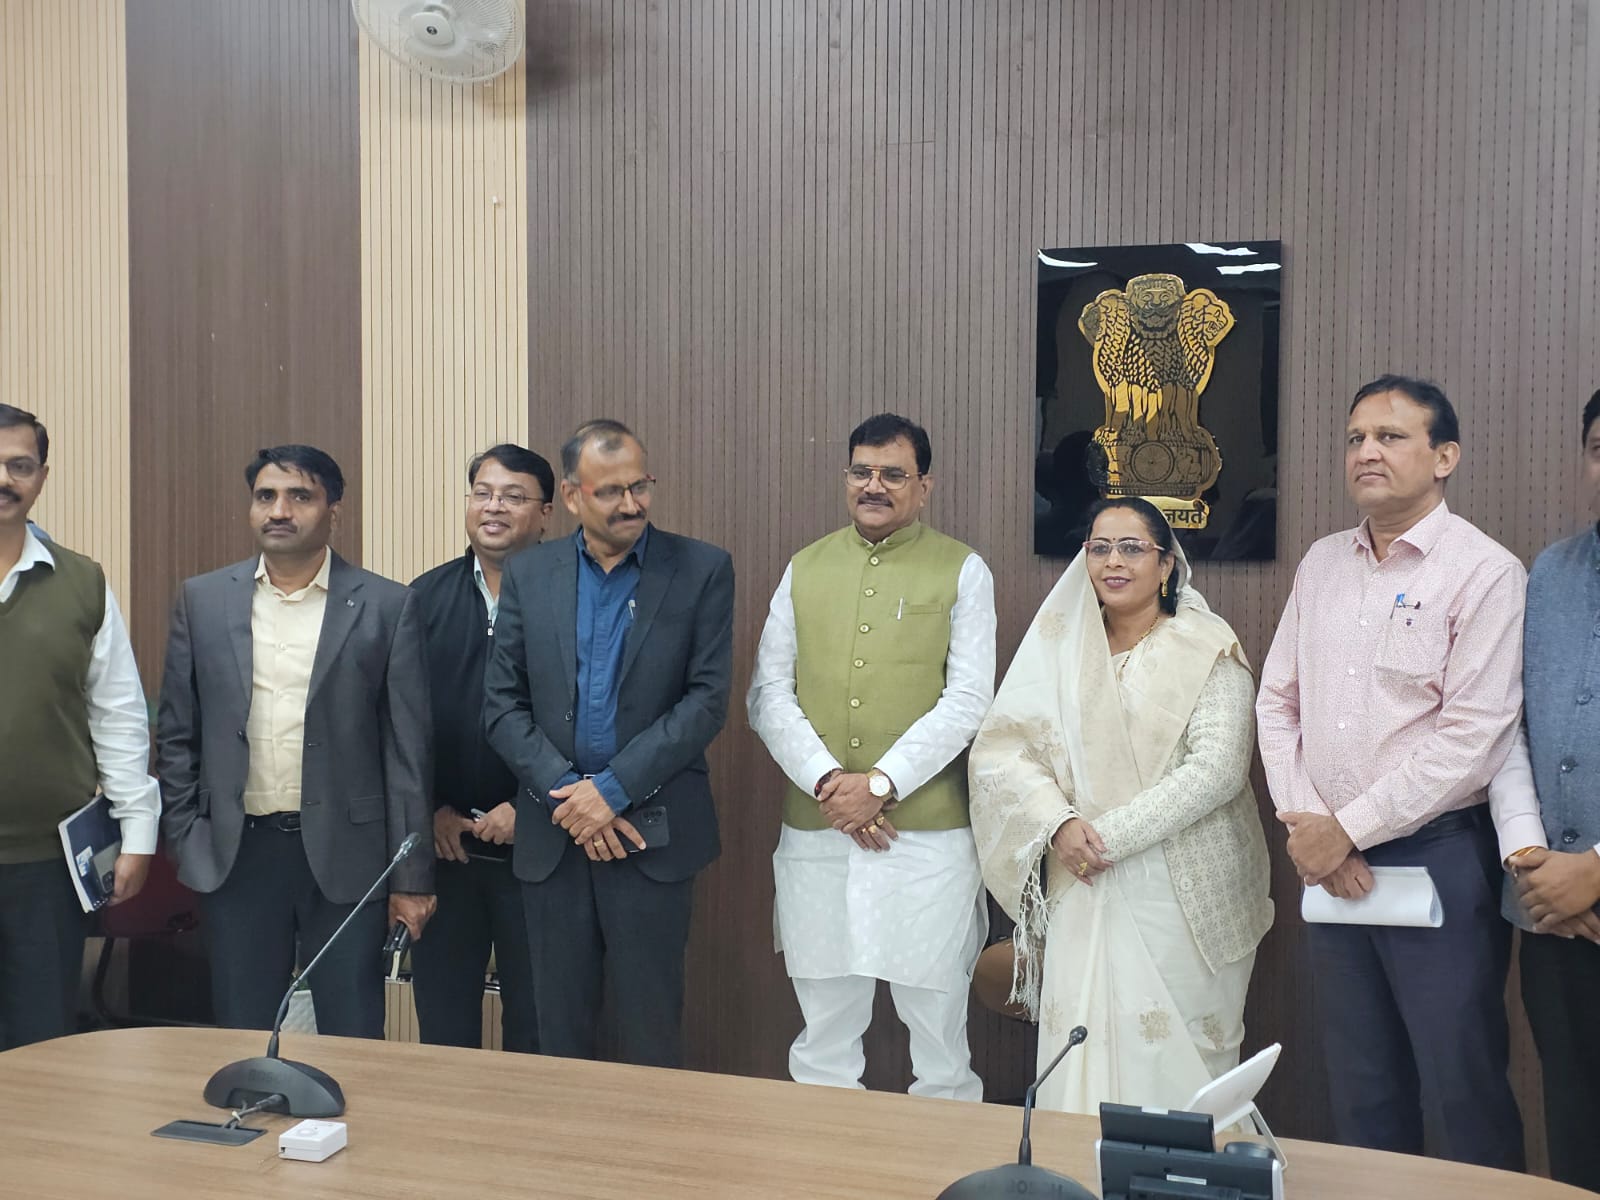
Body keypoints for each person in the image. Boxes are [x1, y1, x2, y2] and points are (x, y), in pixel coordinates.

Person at [1256, 375, 1525, 1169]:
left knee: (1461, 1084)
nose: (1366, 452)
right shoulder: (1322, 563)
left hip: (1436, 856)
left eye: (1390, 436)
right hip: (1328, 862)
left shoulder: (1485, 571)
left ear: (1445, 457)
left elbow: (1473, 737)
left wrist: (1347, 829)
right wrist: (1312, 827)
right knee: (1363, 1088)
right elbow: (1276, 703)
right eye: (1355, 438)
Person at [969, 496, 1271, 1113]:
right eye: (1100, 548)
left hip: (1181, 891)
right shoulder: (1059, 650)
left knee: (1178, 1063)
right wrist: (1058, 825)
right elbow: (1005, 751)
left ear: (1166, 565)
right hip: (1081, 878)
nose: (1114, 561)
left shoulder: (1205, 646)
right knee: (1086, 1048)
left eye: (1132, 548)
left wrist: (1104, 838)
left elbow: (1216, 770)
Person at [748, 412, 996, 1101]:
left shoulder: (963, 569)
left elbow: (969, 699)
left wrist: (882, 784)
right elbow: (767, 694)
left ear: (925, 486)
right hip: (820, 828)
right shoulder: (805, 567)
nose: (874, 486)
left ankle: (942, 1154)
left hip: (926, 838)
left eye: (893, 474)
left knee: (939, 1035)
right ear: (846, 477)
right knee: (824, 1030)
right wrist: (831, 783)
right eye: (862, 472)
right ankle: (824, 1155)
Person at [158, 444, 436, 1037]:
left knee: (353, 1030)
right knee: (243, 1028)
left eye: (300, 496)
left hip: (349, 854)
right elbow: (178, 733)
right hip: (237, 852)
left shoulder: (387, 605)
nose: (279, 511)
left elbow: (407, 753)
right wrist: (186, 836)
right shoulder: (202, 600)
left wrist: (411, 878)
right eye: (266, 496)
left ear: (334, 509)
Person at [483, 420, 733, 1068]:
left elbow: (705, 701)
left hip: (651, 834)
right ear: (572, 496)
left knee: (651, 1030)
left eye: (640, 486)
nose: (631, 504)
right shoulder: (530, 573)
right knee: (558, 1033)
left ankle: (651, 1139)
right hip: (555, 839)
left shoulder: (702, 569)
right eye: (611, 491)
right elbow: (502, 706)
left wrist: (612, 792)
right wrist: (573, 798)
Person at [0, 404, 157, 1049]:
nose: (4, 479)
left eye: (20, 465)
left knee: (40, 1048)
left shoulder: (82, 582)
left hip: (46, 866)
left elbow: (118, 716)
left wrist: (137, 834)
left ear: (42, 477)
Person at [1484, 388, 1600, 1191]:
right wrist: (1534, 862)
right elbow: (1509, 729)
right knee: (1576, 1126)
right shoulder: (1551, 572)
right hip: (1554, 915)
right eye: (1599, 449)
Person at [409, 443, 554, 1053]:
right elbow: (399, 724)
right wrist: (431, 811)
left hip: (544, 850)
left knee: (541, 1027)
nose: (494, 507)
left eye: (513, 496)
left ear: (546, 514)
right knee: (444, 1029)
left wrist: (533, 808)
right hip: (449, 853)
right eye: (483, 493)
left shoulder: (570, 596)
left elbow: (595, 721)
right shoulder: (422, 598)